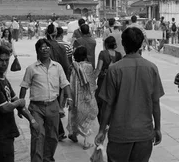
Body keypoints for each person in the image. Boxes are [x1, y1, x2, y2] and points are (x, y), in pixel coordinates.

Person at [95, 27, 164, 161]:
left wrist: (102, 130)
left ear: (123, 44)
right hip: (144, 133)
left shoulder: (114, 70)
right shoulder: (151, 68)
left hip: (120, 134)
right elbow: (155, 102)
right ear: (141, 43)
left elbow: (107, 105)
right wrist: (158, 128)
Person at [19, 39, 71, 162]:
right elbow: (24, 86)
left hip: (53, 106)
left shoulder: (57, 67)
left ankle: (47, 159)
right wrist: (21, 106)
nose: (45, 49)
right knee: (38, 135)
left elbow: (65, 83)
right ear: (37, 51)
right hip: (36, 108)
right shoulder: (31, 69)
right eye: (42, 47)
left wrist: (69, 97)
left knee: (52, 136)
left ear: (50, 50)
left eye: (47, 47)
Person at [0, 46, 36, 162]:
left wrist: (32, 120)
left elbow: (16, 101)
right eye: (0, 60)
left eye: (6, 60)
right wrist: (19, 102)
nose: (4, 64)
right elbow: (5, 108)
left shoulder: (3, 79)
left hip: (7, 132)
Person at [67, 46, 98, 149]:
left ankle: (73, 134)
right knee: (87, 117)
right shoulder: (88, 67)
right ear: (85, 56)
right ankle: (86, 142)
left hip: (75, 96)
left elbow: (71, 82)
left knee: (75, 115)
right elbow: (92, 83)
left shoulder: (73, 66)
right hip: (86, 96)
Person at [95, 36, 122, 123]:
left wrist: (92, 80)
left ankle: (102, 122)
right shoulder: (118, 55)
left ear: (106, 44)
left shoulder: (103, 54)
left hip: (103, 81)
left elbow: (98, 68)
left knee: (100, 102)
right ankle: (110, 121)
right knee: (112, 101)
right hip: (114, 81)